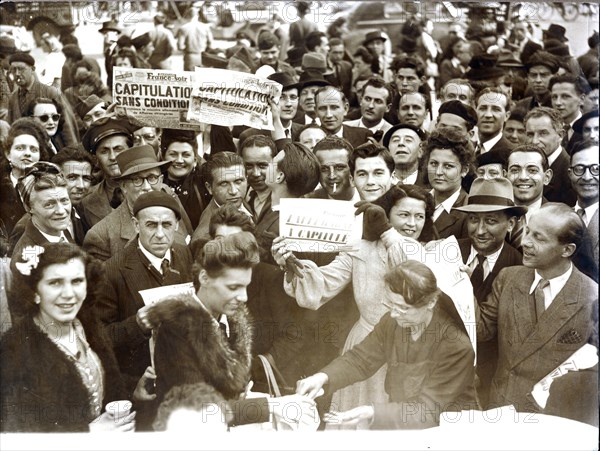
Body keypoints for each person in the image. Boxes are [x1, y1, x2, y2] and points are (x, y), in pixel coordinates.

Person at [272, 184, 437, 426]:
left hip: (410, 347)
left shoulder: (432, 251)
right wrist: (292, 265)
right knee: (355, 424)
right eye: (403, 215)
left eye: (419, 216)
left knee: (396, 422)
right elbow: (325, 283)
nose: (412, 223)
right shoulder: (362, 249)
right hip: (364, 344)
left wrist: (388, 233)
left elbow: (411, 277)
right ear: (387, 214)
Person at [145, 232, 318, 429]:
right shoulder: (176, 330)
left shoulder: (231, 318)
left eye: (245, 287)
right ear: (204, 278)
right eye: (233, 287)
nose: (244, 297)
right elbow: (198, 411)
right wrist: (270, 406)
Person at [295, 260, 476, 429]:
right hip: (404, 423)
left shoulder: (456, 346)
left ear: (431, 302)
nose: (394, 314)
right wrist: (323, 377)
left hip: (447, 431)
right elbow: (360, 359)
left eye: (403, 307)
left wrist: (373, 412)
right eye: (390, 304)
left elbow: (427, 411)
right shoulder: (393, 323)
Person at [477, 203, 598, 426]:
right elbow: (481, 331)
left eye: (538, 238)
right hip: (499, 411)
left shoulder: (591, 297)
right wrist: (458, 286)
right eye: (528, 232)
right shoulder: (508, 278)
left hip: (552, 420)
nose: (525, 242)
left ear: (567, 250)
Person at [1, 242, 135, 432]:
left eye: (77, 281)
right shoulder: (15, 349)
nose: (69, 294)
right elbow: (21, 433)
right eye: (55, 283)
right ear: (35, 292)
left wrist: (135, 389)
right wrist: (88, 434)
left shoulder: (86, 325)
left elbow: (98, 382)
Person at [95, 190, 194, 428]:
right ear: (135, 225)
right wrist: (136, 325)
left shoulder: (182, 253)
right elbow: (99, 340)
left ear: (177, 226)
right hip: (143, 389)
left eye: (166, 225)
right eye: (151, 225)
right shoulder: (111, 272)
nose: (160, 234)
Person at [454, 178, 525, 406]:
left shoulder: (519, 267)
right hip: (443, 372)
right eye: (474, 219)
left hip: (488, 378)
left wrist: (461, 288)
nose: (480, 230)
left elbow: (486, 333)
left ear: (511, 224)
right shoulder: (449, 250)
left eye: (491, 221)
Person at [83, 145, 192, 261]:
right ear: (123, 186)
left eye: (152, 178)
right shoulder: (100, 236)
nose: (147, 187)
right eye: (137, 180)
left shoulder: (173, 208)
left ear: (160, 180)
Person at [7, 52, 78, 146]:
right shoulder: (13, 98)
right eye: (13, 70)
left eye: (21, 69)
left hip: (53, 149)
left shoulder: (50, 92)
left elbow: (66, 126)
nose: (17, 74)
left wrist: (73, 151)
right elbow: (12, 128)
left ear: (32, 69)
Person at [79, 117, 134, 227]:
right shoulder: (87, 202)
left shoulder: (154, 188)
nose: (112, 157)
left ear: (131, 151)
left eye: (118, 149)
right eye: (104, 151)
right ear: (96, 159)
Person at [0, 118, 49, 240]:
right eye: (20, 148)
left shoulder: (48, 187)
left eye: (34, 149)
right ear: (8, 154)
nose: (27, 153)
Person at [190, 152, 251, 249]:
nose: (233, 191)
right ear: (209, 188)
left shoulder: (238, 203)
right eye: (224, 184)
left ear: (247, 180)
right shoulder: (204, 239)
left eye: (238, 181)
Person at [424, 129, 473, 239]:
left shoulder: (469, 210)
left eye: (448, 166)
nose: (438, 172)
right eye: (434, 164)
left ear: (464, 170)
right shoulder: (415, 199)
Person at [524, 107, 576, 206]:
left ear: (560, 135)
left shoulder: (570, 174)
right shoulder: (522, 166)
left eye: (543, 133)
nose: (535, 141)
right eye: (530, 134)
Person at [506, 144, 553, 251]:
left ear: (547, 177)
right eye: (515, 170)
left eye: (532, 170)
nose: (523, 177)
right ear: (505, 175)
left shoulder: (560, 220)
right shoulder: (494, 214)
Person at [160, 128, 208, 229]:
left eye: (186, 155)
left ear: (195, 159)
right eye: (173, 154)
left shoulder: (204, 185)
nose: (179, 160)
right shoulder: (155, 184)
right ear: (163, 157)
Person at [569, 139, 599, 282]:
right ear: (570, 173)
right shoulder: (561, 216)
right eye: (579, 169)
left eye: (596, 169)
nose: (587, 177)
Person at [308, 136, 359, 202]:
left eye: (339, 167)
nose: (332, 176)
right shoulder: (309, 201)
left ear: (352, 167)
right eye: (324, 169)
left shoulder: (370, 197)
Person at [474, 87, 513, 154]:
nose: (488, 115)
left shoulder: (511, 153)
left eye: (496, 109)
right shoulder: (466, 148)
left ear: (506, 116)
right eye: (483, 108)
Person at [177, 2, 213, 71]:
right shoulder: (205, 27)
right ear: (198, 16)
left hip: (190, 56)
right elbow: (211, 44)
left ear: (188, 15)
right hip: (203, 56)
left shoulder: (183, 28)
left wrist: (186, 50)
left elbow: (180, 46)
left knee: (190, 78)